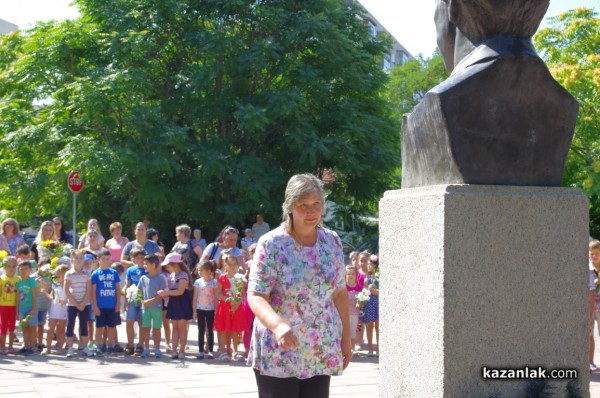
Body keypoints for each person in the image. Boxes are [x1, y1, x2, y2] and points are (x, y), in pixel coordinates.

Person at [247, 173, 351, 397]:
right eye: (303, 205)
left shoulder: (331, 241)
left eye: (316, 204)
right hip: (279, 350)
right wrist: (278, 326)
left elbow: (340, 293)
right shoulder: (272, 243)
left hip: (319, 347)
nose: (312, 211)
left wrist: (346, 339)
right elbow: (256, 295)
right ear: (290, 207)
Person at [158, 252, 193, 359]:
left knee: (182, 328)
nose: (166, 267)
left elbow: (180, 291)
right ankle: (174, 350)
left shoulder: (183, 275)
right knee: (175, 328)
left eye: (168, 265)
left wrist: (166, 293)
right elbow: (171, 290)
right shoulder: (171, 276)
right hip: (174, 303)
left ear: (175, 265)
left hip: (182, 303)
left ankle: (181, 350)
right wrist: (164, 293)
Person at [214, 250, 246, 361]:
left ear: (237, 265)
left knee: (235, 330)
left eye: (234, 264)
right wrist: (228, 299)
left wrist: (236, 303)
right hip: (224, 307)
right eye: (229, 264)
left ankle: (236, 350)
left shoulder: (239, 278)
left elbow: (241, 293)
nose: (232, 267)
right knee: (223, 329)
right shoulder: (222, 278)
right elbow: (218, 293)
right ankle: (223, 350)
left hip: (236, 308)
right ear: (225, 265)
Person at [91, 248, 121, 356]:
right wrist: (95, 306)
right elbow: (93, 292)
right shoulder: (95, 274)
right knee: (99, 327)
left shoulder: (114, 273)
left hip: (112, 306)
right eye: (103, 259)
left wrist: (118, 304)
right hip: (100, 306)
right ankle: (99, 346)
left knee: (111, 327)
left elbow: (118, 289)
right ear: (98, 259)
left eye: (107, 259)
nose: (105, 261)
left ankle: (110, 346)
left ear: (110, 260)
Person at [138, 253, 167, 359]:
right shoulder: (143, 278)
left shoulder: (161, 278)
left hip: (157, 308)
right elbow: (139, 292)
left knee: (157, 329)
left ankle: (157, 348)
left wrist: (151, 300)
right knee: (145, 328)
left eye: (146, 264)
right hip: (145, 308)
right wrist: (142, 301)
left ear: (154, 264)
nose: (144, 266)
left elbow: (162, 294)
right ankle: (146, 348)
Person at [64, 249, 93, 358]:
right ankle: (70, 348)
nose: (79, 260)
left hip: (85, 304)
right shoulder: (69, 273)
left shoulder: (87, 273)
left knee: (84, 325)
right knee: (70, 325)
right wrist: (76, 304)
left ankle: (85, 347)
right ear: (72, 259)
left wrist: (84, 303)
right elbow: (66, 290)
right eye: (76, 258)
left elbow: (89, 289)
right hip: (72, 304)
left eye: (81, 258)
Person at [123, 247, 147, 355]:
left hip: (143, 299)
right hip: (132, 298)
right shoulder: (130, 270)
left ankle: (140, 345)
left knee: (142, 323)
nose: (141, 260)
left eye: (142, 257)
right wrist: (126, 301)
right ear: (134, 259)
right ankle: (130, 345)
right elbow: (127, 285)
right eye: (138, 258)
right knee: (129, 322)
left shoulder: (148, 269)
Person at [192, 260, 218, 359]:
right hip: (200, 309)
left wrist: (216, 310)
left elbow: (216, 297)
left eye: (201, 270)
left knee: (210, 330)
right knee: (201, 330)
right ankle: (201, 351)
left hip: (210, 309)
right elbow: (195, 297)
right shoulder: (198, 282)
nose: (199, 272)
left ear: (208, 271)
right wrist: (194, 311)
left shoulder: (214, 282)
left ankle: (210, 351)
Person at [42, 264, 69, 355]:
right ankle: (48, 347)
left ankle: (60, 347)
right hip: (54, 310)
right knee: (50, 329)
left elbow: (71, 298)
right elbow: (51, 297)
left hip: (64, 311)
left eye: (58, 276)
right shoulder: (55, 286)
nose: (56, 278)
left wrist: (65, 301)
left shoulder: (68, 286)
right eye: (56, 276)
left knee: (61, 329)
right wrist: (45, 292)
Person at [15, 260, 39, 355]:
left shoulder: (32, 282)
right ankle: (25, 346)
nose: (24, 271)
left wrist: (34, 308)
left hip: (30, 308)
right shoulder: (19, 283)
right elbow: (17, 298)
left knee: (32, 328)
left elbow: (35, 296)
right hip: (22, 308)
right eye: (21, 269)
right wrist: (17, 310)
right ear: (19, 270)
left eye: (26, 269)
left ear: (30, 270)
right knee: (24, 328)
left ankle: (32, 347)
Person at [0, 256, 19, 355]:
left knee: (12, 326)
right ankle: (2, 346)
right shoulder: (1, 279)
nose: (11, 268)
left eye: (13, 266)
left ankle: (11, 346)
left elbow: (19, 294)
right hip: (3, 306)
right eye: (8, 266)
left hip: (14, 306)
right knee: (3, 326)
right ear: (4, 267)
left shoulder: (18, 279)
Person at [362, 257, 379, 357]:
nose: (369, 266)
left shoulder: (379, 277)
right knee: (369, 327)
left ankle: (378, 348)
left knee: (378, 327)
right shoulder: (366, 278)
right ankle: (370, 349)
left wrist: (375, 291)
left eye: (371, 264)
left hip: (377, 303)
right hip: (369, 303)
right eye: (368, 264)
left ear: (376, 265)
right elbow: (364, 292)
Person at [345, 265, 362, 350]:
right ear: (345, 275)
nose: (350, 276)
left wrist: (359, 302)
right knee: (345, 331)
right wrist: (349, 302)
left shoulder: (359, 286)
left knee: (353, 331)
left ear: (356, 275)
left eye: (352, 274)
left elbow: (361, 298)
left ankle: (352, 348)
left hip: (355, 313)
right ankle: (345, 348)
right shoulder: (343, 286)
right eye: (348, 274)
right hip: (345, 313)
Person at [590, 239, 600, 371]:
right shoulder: (588, 268)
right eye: (591, 253)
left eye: (597, 253)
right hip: (592, 305)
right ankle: (590, 361)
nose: (593, 256)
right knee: (589, 334)